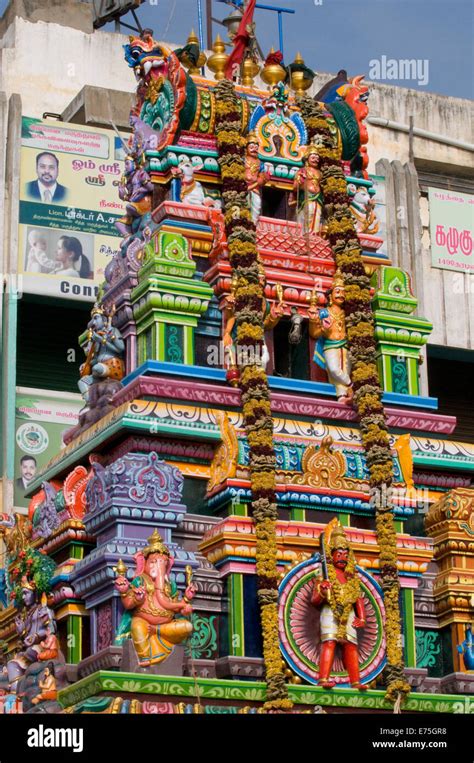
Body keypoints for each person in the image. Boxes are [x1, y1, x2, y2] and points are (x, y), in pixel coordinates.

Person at [289, 144, 323, 234]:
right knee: (309, 211)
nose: (315, 159)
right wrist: (300, 182)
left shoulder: (320, 173)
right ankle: (306, 232)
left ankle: (314, 232)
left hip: (317, 197)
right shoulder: (303, 170)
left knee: (317, 213)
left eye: (317, 158)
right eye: (313, 157)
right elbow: (295, 186)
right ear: (307, 158)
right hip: (306, 196)